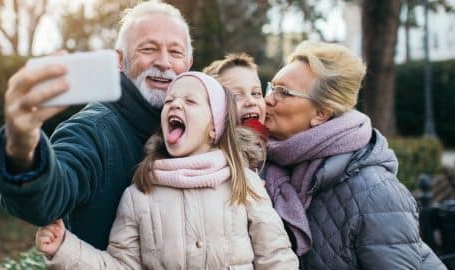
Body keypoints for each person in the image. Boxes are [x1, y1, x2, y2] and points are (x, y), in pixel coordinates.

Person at [35, 72, 299, 269]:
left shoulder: (244, 183)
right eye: (170, 100)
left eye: (190, 101)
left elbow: (276, 258)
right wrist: (65, 248)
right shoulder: (140, 194)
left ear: (214, 127)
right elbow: (122, 266)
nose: (175, 104)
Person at [0, 1, 193, 250]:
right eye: (148, 49)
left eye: (176, 52)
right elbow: (48, 199)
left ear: (189, 64)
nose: (163, 62)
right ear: (120, 60)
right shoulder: (93, 130)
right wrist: (22, 147)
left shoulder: (200, 129)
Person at [262, 41, 446, 269]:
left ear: (321, 113)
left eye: (284, 92)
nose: (268, 99)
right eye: (271, 87)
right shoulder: (264, 164)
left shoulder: (376, 193)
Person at [203, 53, 267, 170]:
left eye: (256, 93)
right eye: (236, 95)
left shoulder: (273, 157)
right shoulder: (209, 163)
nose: (251, 101)